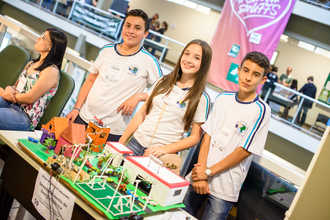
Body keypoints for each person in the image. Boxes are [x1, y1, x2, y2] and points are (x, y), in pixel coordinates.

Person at [183, 51, 271, 220]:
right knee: (179, 216)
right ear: (238, 71)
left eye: (255, 74)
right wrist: (201, 172)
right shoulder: (223, 98)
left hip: (224, 188)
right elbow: (207, 135)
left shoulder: (261, 111)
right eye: (245, 70)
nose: (248, 78)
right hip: (199, 175)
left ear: (263, 80)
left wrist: (208, 172)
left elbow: (243, 151)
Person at [66, 9, 163, 142]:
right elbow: (90, 80)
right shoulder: (107, 50)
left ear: (145, 33)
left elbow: (163, 92)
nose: (131, 31)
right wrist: (76, 108)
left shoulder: (149, 61)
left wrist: (138, 97)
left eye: (137, 28)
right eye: (127, 25)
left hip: (112, 131)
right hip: (84, 118)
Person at [119, 39, 212, 159]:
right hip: (135, 142)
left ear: (203, 64)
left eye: (196, 58)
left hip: (160, 154)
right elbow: (142, 113)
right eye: (187, 53)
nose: (189, 60)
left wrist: (165, 149)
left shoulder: (202, 98)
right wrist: (122, 141)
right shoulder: (162, 81)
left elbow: (195, 137)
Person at [0, 28, 67, 131]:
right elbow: (15, 87)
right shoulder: (30, 64)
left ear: (51, 46)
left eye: (43, 37)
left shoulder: (51, 71)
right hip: (11, 103)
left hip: (24, 116)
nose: (38, 38)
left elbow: (29, 98)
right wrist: (9, 88)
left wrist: (6, 95)